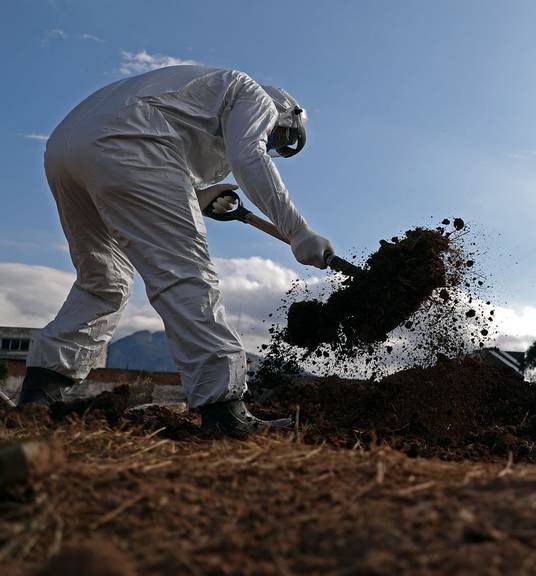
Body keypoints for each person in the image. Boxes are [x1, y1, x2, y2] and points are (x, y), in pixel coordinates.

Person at [18, 65, 334, 434]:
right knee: (187, 274)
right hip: (129, 139)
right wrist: (298, 231)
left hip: (65, 149)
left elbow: (157, 174)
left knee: (104, 280)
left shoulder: (198, 99)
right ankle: (224, 412)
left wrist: (201, 197)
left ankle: (39, 397)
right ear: (286, 114)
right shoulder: (253, 94)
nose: (273, 143)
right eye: (279, 138)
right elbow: (249, 156)